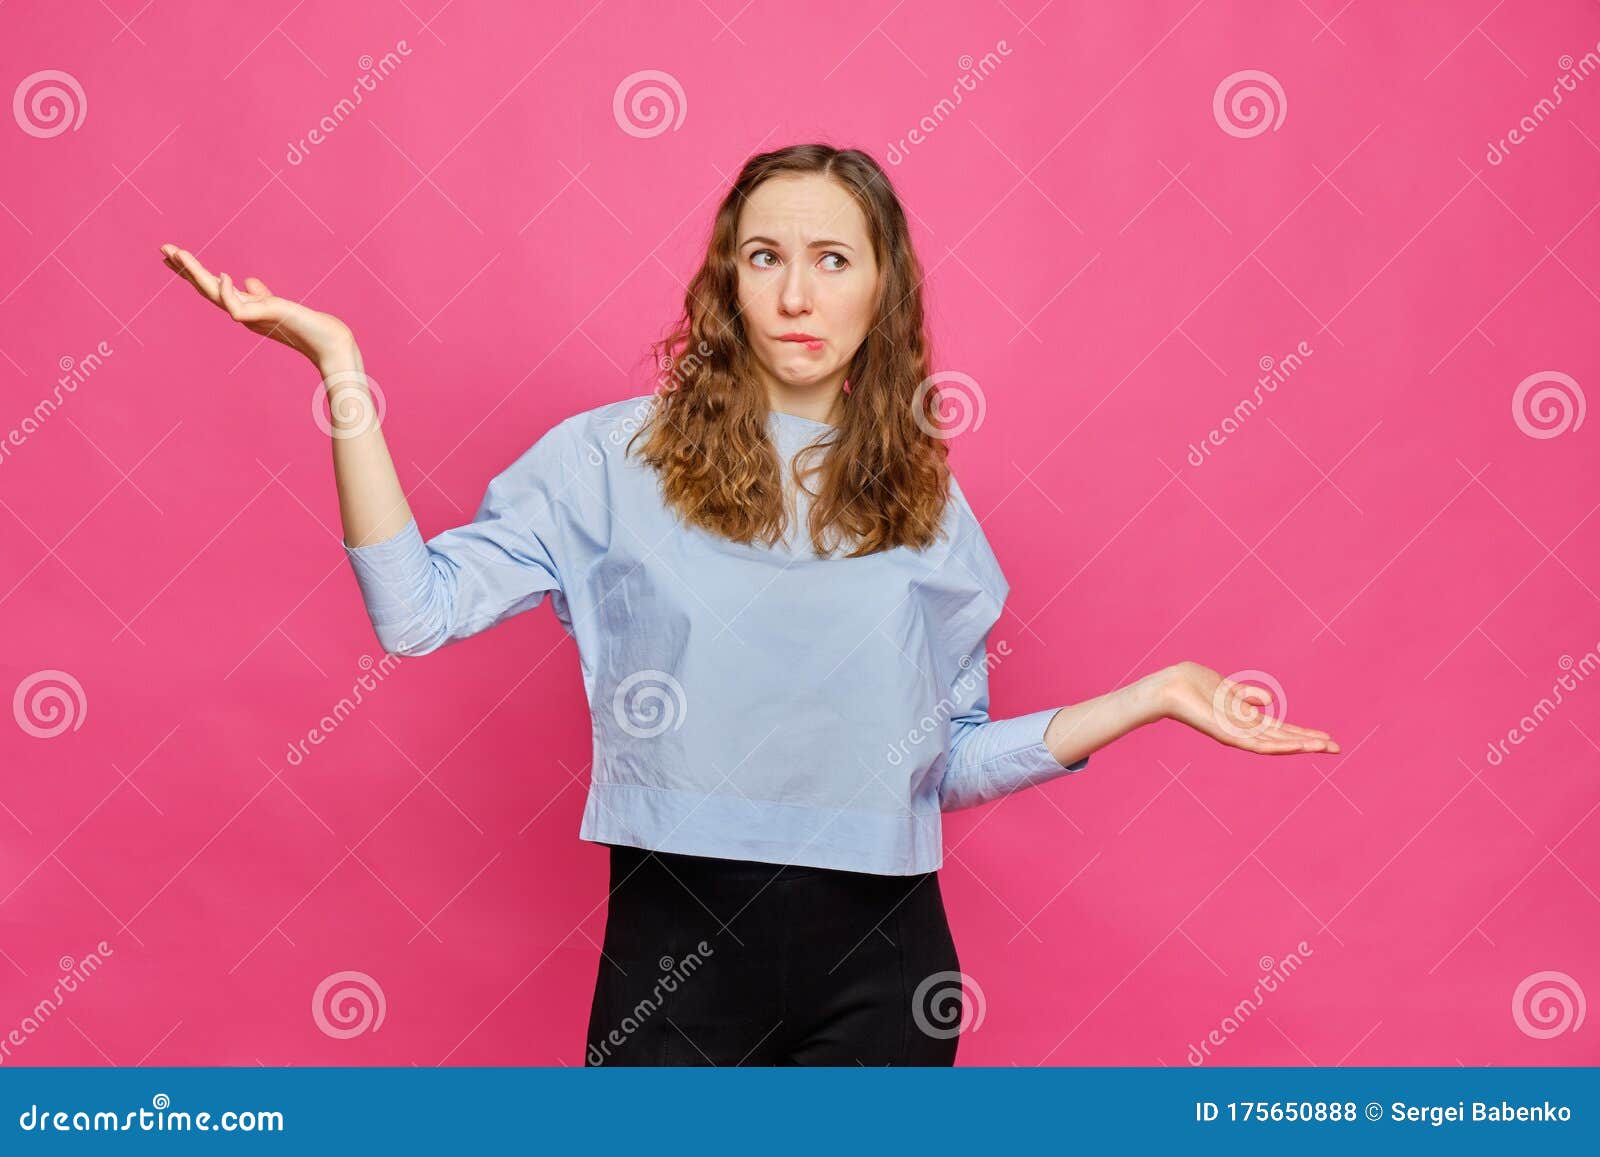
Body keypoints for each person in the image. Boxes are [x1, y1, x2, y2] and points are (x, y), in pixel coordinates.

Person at [157, 143, 1339, 1067]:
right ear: (727, 276)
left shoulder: (924, 502)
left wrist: (1151, 697)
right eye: (764, 254)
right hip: (673, 960)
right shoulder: (609, 458)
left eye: (833, 258)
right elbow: (415, 611)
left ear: (885, 288)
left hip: (886, 971)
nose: (795, 291)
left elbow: (946, 762)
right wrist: (343, 376)